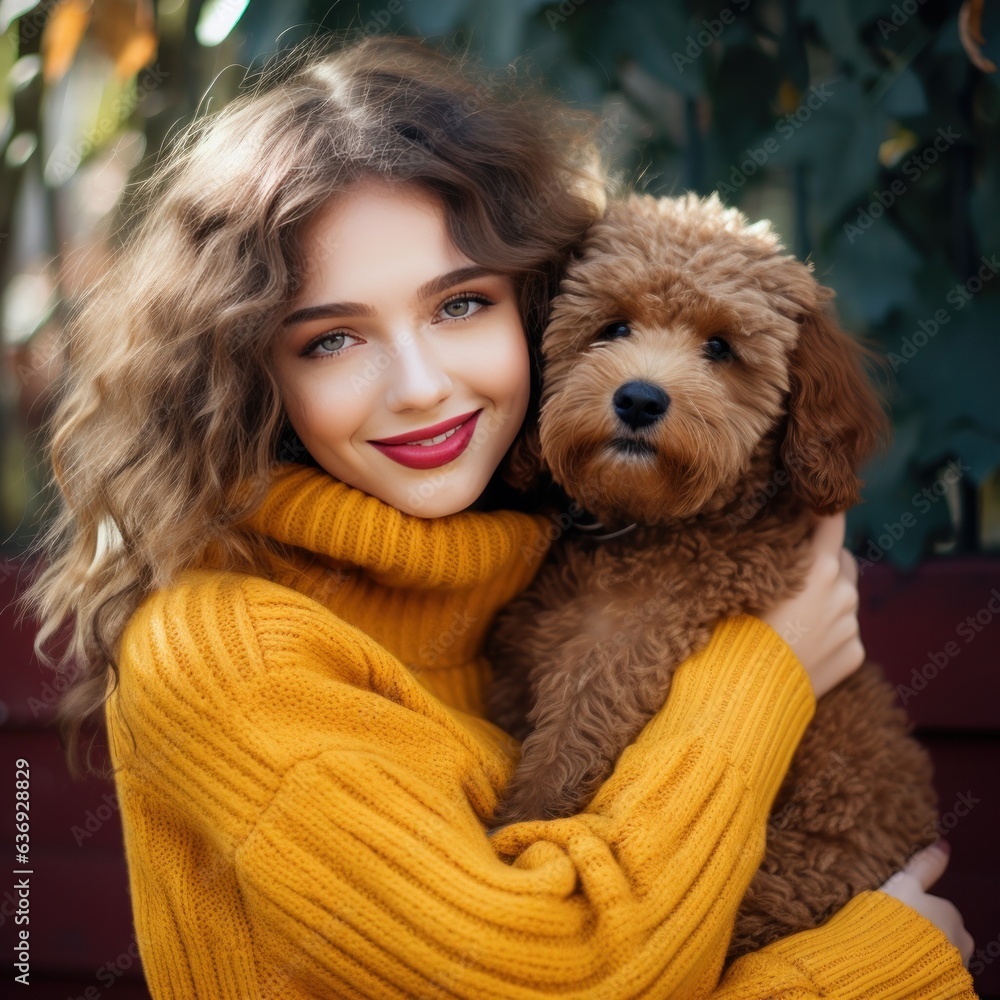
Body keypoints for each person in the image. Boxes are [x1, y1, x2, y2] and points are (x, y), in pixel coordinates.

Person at [27, 32, 975, 999]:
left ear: (534, 312)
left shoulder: (539, 580)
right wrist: (862, 965)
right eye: (334, 338)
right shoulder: (222, 650)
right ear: (246, 375)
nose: (421, 386)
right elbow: (553, 979)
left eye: (460, 305)